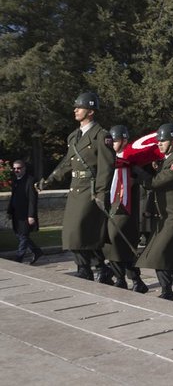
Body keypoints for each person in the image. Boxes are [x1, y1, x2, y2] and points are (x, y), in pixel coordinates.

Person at [39, 92, 115, 282]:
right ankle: (97, 268)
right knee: (77, 232)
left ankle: (87, 268)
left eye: (79, 107)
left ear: (90, 111)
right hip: (75, 187)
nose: (75, 110)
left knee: (78, 230)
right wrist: (50, 180)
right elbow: (67, 163)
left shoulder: (101, 135)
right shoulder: (73, 137)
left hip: (90, 190)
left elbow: (106, 167)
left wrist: (101, 193)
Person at [135, 124, 173, 305]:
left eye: (163, 141)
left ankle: (171, 292)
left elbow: (156, 183)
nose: (159, 144)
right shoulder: (167, 161)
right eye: (158, 141)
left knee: (158, 254)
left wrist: (136, 169)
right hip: (168, 217)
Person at [104, 125, 148, 293]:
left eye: (115, 141)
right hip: (112, 207)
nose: (112, 144)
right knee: (114, 245)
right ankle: (126, 279)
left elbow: (140, 181)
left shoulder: (133, 160)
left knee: (121, 243)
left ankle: (129, 279)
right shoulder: (109, 159)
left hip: (126, 209)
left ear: (124, 140)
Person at [8, 160, 43, 264]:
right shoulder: (15, 181)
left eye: (19, 168)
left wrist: (31, 215)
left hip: (26, 214)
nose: (16, 170)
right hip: (16, 214)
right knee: (20, 235)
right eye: (14, 168)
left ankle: (19, 258)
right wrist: (9, 211)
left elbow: (32, 200)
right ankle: (37, 251)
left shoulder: (30, 181)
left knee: (23, 236)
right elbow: (13, 197)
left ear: (24, 168)